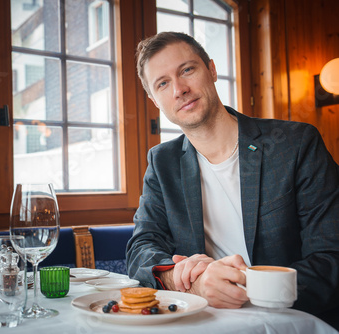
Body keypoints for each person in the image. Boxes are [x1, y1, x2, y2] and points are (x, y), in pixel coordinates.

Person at [126, 31, 339, 327]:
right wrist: (185, 280)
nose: (179, 89)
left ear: (211, 70)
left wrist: (241, 285)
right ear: (154, 99)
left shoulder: (296, 145)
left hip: (294, 322)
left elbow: (331, 256)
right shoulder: (162, 162)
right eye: (163, 83)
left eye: (187, 70)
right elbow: (141, 248)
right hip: (207, 323)